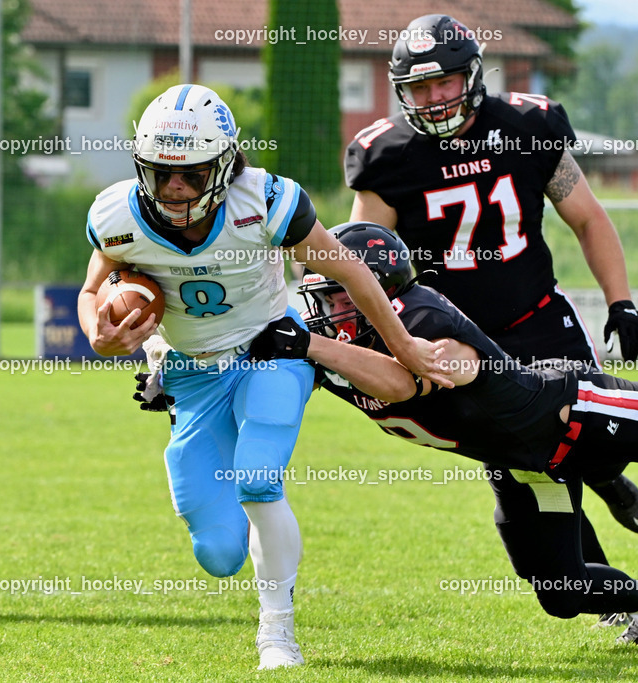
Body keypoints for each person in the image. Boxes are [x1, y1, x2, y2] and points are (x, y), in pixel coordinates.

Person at [140, 222, 638, 645]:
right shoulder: (332, 341)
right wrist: (177, 379)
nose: (326, 308)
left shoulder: (421, 318)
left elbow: (409, 379)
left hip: (579, 416)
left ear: (379, 289)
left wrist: (309, 344)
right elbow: (266, 370)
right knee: (559, 591)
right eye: (322, 296)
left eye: (339, 294)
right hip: (518, 458)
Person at [78, 85, 450, 671]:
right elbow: (91, 290)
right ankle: (249, 559)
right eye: (162, 173)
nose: (175, 189)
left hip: (270, 348)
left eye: (192, 174)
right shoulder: (118, 215)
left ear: (225, 165)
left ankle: (276, 634)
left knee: (256, 478)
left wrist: (404, 345)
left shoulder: (266, 201)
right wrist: (98, 335)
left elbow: (350, 269)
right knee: (218, 552)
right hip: (192, 372)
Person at [344, 14, 638, 610]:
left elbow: (587, 218)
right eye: (419, 87)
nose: (434, 98)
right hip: (462, 346)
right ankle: (609, 590)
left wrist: (622, 302)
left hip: (540, 319)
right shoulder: (385, 155)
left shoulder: (526, 125)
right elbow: (361, 263)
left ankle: (608, 473)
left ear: (473, 76)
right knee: (536, 469)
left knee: (599, 440)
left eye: (445, 82)